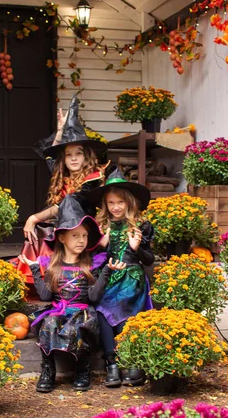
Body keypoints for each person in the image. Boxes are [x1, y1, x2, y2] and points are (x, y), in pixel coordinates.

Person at [18, 196, 126, 393]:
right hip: (59, 310)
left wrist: (107, 272)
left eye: (84, 236)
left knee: (79, 326)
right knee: (48, 323)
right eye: (75, 236)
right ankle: (48, 370)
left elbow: (93, 297)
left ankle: (82, 369)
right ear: (62, 237)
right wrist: (35, 269)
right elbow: (45, 297)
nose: (81, 241)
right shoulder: (52, 265)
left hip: (82, 311)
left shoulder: (91, 264)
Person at [87, 167, 154, 388]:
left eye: (120, 203)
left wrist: (136, 248)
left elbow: (149, 259)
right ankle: (112, 363)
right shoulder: (101, 227)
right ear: (105, 205)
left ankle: (130, 359)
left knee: (124, 304)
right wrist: (101, 246)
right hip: (107, 276)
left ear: (129, 203)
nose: (115, 207)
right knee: (102, 311)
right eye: (111, 203)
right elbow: (92, 258)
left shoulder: (141, 225)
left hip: (131, 278)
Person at [23, 94, 107, 244]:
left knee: (40, 225)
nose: (73, 158)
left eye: (78, 154)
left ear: (86, 157)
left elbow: (66, 204)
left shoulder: (92, 178)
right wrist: (61, 131)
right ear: (64, 160)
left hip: (83, 232)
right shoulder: (64, 175)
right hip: (63, 229)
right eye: (68, 155)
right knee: (36, 235)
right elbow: (51, 157)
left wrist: (34, 218)